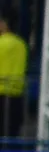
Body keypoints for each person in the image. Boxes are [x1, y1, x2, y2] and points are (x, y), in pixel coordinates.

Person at [0, 11, 25, 142]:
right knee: (11, 134)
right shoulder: (21, 44)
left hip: (1, 92)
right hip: (16, 93)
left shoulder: (1, 43)